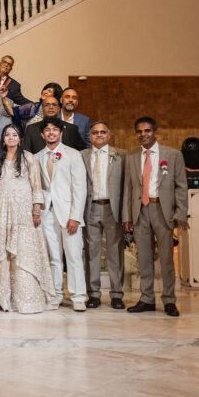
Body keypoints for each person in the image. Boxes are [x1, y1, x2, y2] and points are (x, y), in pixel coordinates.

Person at [124, 116, 189, 317]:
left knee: (167, 258)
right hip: (140, 212)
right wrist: (127, 216)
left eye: (147, 131)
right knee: (143, 258)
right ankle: (147, 299)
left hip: (163, 211)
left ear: (155, 132)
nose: (143, 135)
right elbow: (128, 189)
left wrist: (179, 212)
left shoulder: (173, 155)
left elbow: (181, 186)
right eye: (139, 131)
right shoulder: (132, 157)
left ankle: (169, 300)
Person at [0, 124, 58, 313]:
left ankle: (28, 298)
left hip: (23, 209)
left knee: (24, 250)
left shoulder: (28, 158)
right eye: (7, 135)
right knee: (5, 253)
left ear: (20, 138)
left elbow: (37, 185)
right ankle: (7, 298)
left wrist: (36, 210)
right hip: (3, 208)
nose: (11, 138)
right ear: (3, 139)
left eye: (14, 134)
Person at [35, 117, 88, 311]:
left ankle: (78, 296)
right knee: (53, 257)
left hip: (68, 213)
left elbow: (80, 188)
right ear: (42, 134)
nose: (51, 133)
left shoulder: (73, 155)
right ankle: (55, 294)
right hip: (47, 213)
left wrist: (75, 216)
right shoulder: (37, 156)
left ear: (61, 133)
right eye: (47, 130)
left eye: (54, 130)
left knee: (73, 256)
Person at [81, 121, 126, 310]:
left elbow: (127, 185)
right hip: (90, 207)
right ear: (89, 136)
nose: (99, 135)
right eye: (94, 132)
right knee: (92, 252)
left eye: (102, 132)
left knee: (115, 252)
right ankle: (93, 294)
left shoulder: (121, 155)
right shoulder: (82, 156)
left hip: (112, 208)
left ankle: (116, 294)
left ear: (109, 134)